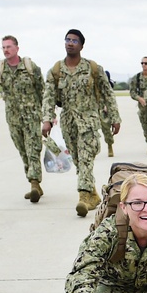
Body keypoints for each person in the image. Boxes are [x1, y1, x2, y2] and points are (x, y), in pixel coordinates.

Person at [42, 29, 121, 217]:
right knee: (78, 159)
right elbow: (48, 97)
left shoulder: (93, 68)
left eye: (74, 41)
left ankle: (84, 197)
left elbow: (108, 94)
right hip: (68, 122)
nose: (70, 43)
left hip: (89, 122)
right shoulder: (56, 71)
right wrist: (47, 119)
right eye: (67, 40)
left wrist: (115, 118)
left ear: (81, 46)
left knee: (86, 158)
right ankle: (93, 193)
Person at [0, 35, 45, 202]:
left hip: (32, 117)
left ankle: (35, 183)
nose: (6, 50)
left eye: (9, 47)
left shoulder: (30, 67)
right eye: (3, 47)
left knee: (33, 149)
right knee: (23, 151)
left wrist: (49, 115)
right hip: (13, 119)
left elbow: (42, 91)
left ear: (17, 48)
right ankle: (34, 182)